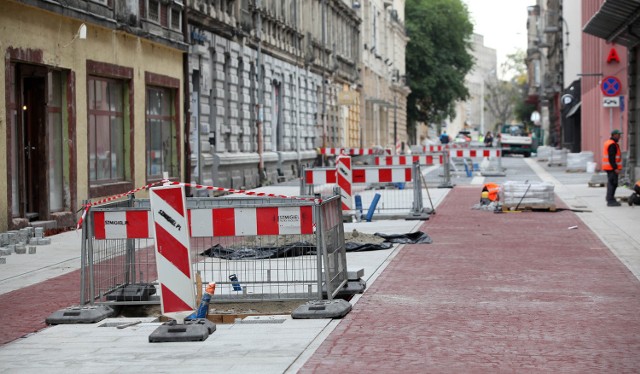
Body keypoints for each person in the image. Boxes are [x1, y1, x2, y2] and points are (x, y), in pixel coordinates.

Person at [603, 129, 623, 206]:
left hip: (609, 167)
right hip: (611, 168)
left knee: (612, 183)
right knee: (612, 183)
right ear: (614, 135)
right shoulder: (612, 144)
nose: (620, 137)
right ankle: (610, 200)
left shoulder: (610, 143)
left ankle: (610, 198)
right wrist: (615, 168)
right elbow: (612, 158)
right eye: (618, 135)